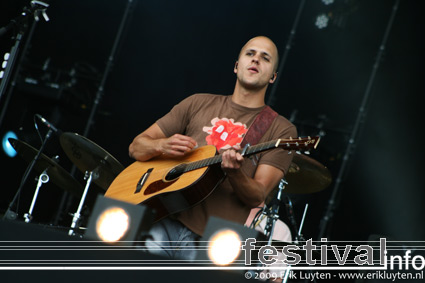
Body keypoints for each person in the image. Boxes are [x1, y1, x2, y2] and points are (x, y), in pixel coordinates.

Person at [128, 36, 297, 261]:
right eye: (250, 53)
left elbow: (258, 196)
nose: (256, 59)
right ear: (237, 66)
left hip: (213, 245)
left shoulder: (281, 130)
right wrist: (161, 145)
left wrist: (235, 172)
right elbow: (136, 147)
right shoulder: (197, 102)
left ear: (273, 77)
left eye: (265, 58)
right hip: (161, 218)